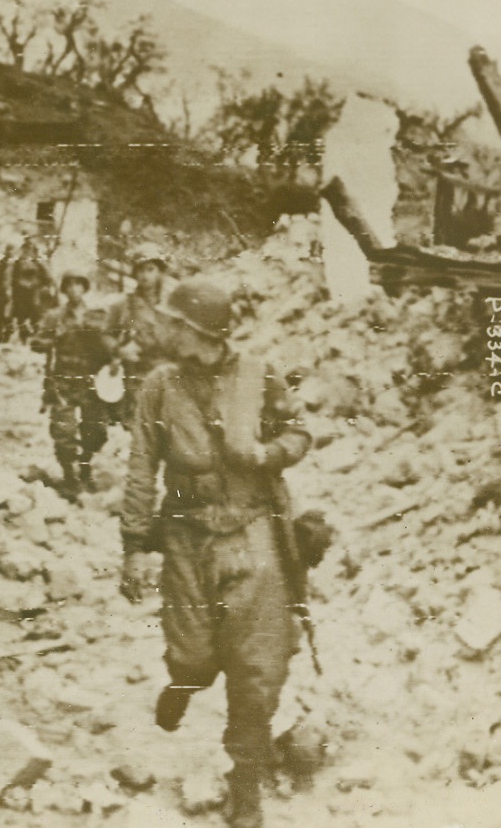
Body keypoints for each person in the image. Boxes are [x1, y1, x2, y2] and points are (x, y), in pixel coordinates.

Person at [118, 279, 311, 828]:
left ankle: (245, 787)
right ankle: (184, 682)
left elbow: (299, 434)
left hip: (251, 532)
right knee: (195, 656)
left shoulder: (258, 374)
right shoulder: (158, 386)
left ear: (200, 331)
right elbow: (140, 468)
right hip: (184, 536)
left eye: (177, 324)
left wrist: (266, 452)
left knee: (257, 668)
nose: (168, 330)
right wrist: (134, 546)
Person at [31, 271, 111, 499]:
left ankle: (85, 468)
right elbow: (37, 343)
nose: (74, 289)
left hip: (90, 382)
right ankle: (69, 476)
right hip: (62, 382)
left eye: (79, 285)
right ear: (64, 289)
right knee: (63, 431)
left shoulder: (97, 316)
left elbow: (109, 346)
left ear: (85, 288)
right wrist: (51, 338)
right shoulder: (54, 316)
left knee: (96, 431)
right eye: (70, 285)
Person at [103, 241, 176, 423]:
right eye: (140, 270)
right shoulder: (124, 304)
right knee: (140, 427)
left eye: (150, 269)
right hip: (137, 374)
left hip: (168, 372)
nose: (144, 275)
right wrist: (119, 350)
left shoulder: (173, 304)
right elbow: (105, 334)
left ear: (160, 272)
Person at [10, 237, 53, 340]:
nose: (27, 252)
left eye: (30, 250)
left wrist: (43, 286)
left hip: (35, 292)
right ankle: (23, 337)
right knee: (20, 315)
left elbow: (47, 278)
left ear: (34, 251)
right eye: (26, 250)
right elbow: (13, 278)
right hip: (21, 293)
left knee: (36, 314)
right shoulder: (18, 263)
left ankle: (36, 336)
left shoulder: (39, 263)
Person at [0, 243, 16, 342]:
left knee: (9, 316)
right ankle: (0, 333)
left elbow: (17, 279)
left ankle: (7, 336)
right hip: (0, 292)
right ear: (5, 251)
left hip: (11, 293)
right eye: (8, 250)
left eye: (11, 250)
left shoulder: (15, 265)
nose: (9, 252)